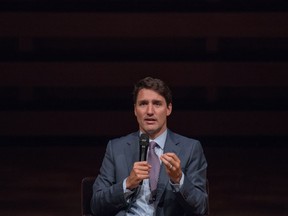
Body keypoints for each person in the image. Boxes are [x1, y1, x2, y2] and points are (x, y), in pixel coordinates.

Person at [91, 77, 208, 216]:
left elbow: (200, 207)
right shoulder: (116, 148)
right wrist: (127, 184)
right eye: (143, 104)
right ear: (135, 109)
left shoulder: (191, 148)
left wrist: (179, 179)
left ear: (168, 109)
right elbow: (96, 205)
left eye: (157, 104)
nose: (150, 111)